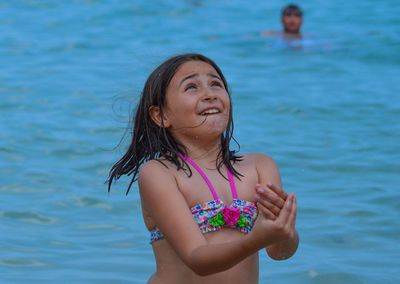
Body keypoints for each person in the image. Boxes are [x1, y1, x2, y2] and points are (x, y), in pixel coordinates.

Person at [107, 53, 299, 283]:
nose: (210, 94)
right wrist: (256, 240)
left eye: (216, 84)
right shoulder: (159, 173)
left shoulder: (260, 166)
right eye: (192, 87)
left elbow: (279, 252)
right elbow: (197, 258)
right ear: (161, 115)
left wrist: (285, 231)